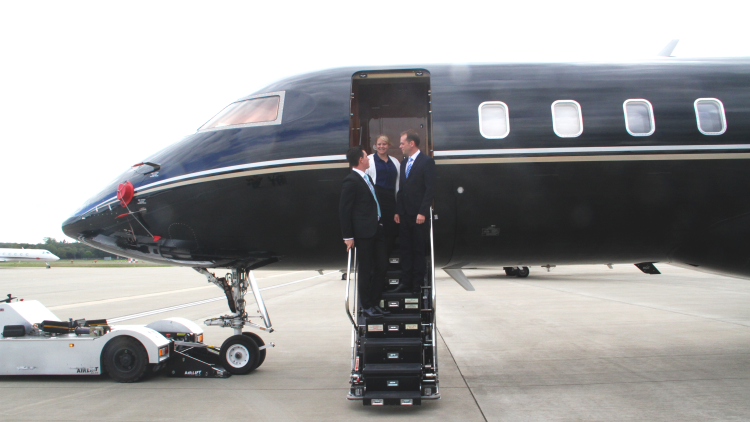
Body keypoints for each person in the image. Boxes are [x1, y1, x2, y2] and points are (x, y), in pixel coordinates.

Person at [339, 146, 389, 317]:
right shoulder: (351, 181)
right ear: (360, 160)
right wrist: (348, 236)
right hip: (363, 233)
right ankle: (366, 305)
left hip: (377, 229)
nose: (369, 159)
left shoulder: (367, 178)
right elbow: (344, 210)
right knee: (365, 269)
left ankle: (375, 302)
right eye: (367, 157)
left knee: (382, 265)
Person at [392, 130, 435, 294]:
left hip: (419, 216)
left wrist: (423, 212)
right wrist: (398, 210)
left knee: (418, 249)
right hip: (404, 215)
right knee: (405, 249)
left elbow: (430, 189)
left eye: (402, 143)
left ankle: (417, 285)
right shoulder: (404, 163)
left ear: (412, 144)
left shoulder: (426, 162)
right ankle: (406, 281)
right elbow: (401, 190)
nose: (400, 146)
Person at [365, 135, 400, 259]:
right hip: (376, 198)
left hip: (391, 199)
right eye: (379, 144)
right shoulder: (369, 160)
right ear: (375, 145)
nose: (381, 146)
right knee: (378, 229)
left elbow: (399, 184)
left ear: (388, 145)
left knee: (391, 230)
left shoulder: (395, 161)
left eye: (384, 144)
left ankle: (386, 256)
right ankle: (377, 259)